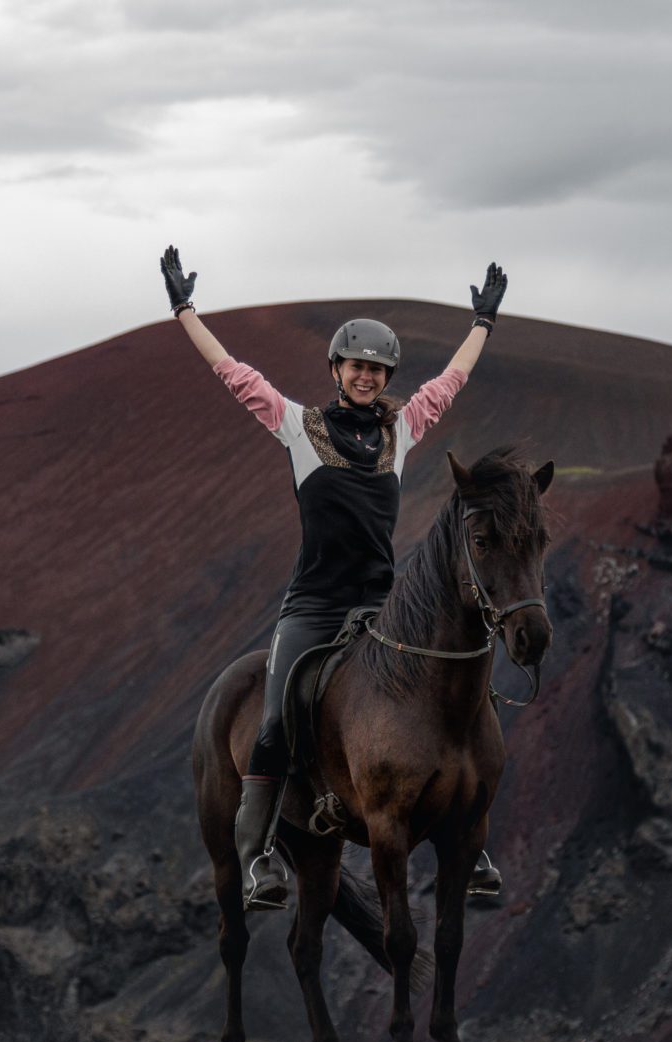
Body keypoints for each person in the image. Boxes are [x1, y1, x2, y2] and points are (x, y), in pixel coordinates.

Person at [160, 245, 507, 911]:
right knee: (275, 714)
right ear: (337, 370)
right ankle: (258, 855)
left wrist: (482, 325)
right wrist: (185, 311)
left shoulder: (401, 433)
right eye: (357, 366)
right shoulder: (299, 428)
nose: (368, 376)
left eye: (378, 368)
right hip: (315, 606)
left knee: (466, 702)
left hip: (386, 606)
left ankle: (472, 836)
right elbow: (237, 376)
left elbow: (448, 385)